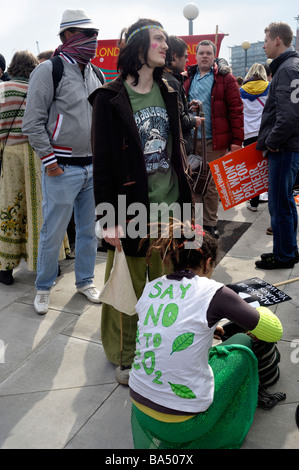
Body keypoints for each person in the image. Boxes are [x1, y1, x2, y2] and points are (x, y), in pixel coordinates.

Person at [89, 19, 193, 385]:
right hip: (130, 208)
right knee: (127, 291)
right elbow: (101, 164)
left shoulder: (171, 88)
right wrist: (108, 219)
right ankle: (125, 356)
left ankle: (163, 349)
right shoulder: (108, 98)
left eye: (165, 39)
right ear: (138, 47)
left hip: (172, 206)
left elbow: (176, 146)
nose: (166, 46)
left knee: (169, 288)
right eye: (159, 40)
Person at [129, 220, 283, 449]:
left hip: (140, 408)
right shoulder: (216, 293)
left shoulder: (151, 288)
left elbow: (167, 327)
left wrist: (211, 326)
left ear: (172, 259)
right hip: (184, 422)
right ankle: (227, 420)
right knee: (241, 344)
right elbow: (274, 331)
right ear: (208, 262)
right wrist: (251, 308)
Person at [22, 9, 104, 314]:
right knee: (53, 231)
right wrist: (50, 161)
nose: (93, 41)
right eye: (86, 35)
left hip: (91, 166)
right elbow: (32, 123)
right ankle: (43, 287)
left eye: (95, 34)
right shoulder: (48, 71)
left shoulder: (95, 72)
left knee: (87, 230)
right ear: (68, 36)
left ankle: (85, 281)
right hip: (62, 167)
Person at [184, 40, 244, 239]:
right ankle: (197, 223)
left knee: (211, 184)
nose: (204, 56)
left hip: (214, 140)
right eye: (201, 53)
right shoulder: (188, 77)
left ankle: (210, 223)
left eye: (208, 53)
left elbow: (236, 110)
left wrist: (237, 140)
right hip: (191, 141)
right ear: (196, 55)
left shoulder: (225, 79)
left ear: (214, 56)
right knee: (193, 183)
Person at [256, 22, 299, 269]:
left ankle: (283, 255)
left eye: (266, 40)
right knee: (286, 201)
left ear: (277, 40)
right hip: (290, 146)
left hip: (283, 148)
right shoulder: (292, 65)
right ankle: (289, 251)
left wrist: (271, 142)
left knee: (279, 203)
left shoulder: (286, 69)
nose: (263, 45)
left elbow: (289, 115)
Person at [0, 51, 40, 285]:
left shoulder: (3, 90)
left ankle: (5, 268)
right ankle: (46, 264)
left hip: (11, 155)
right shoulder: (38, 88)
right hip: (37, 154)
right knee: (40, 209)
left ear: (13, 65)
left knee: (10, 207)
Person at [163, 36, 202, 154]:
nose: (187, 60)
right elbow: (177, 120)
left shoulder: (165, 78)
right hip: (177, 149)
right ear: (175, 56)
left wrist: (187, 106)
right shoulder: (172, 82)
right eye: (185, 56)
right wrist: (195, 120)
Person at [240, 63, 270, 212]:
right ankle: (273, 200)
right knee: (269, 167)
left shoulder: (241, 91)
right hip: (265, 133)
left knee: (253, 169)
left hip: (248, 134)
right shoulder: (269, 87)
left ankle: (254, 203)